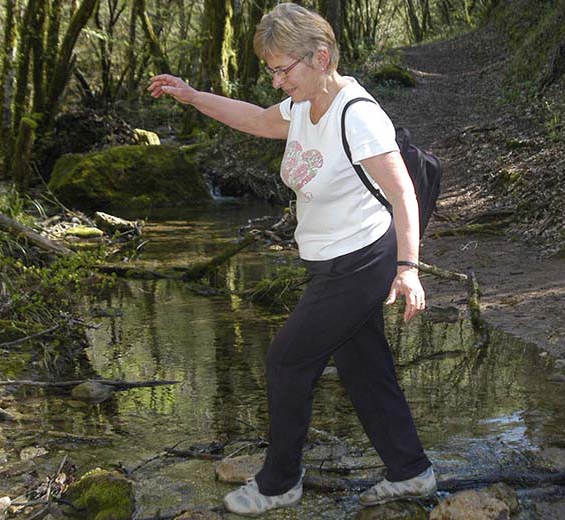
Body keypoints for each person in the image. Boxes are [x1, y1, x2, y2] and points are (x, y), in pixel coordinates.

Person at [148, 3, 435, 515]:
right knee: (363, 366)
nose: (278, 82)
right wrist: (191, 96)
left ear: (320, 57)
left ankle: (280, 483)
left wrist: (408, 269)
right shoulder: (305, 106)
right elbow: (255, 120)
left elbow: (404, 195)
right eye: (273, 70)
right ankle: (412, 472)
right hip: (330, 260)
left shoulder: (358, 113)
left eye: (285, 69)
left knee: (286, 360)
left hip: (362, 259)